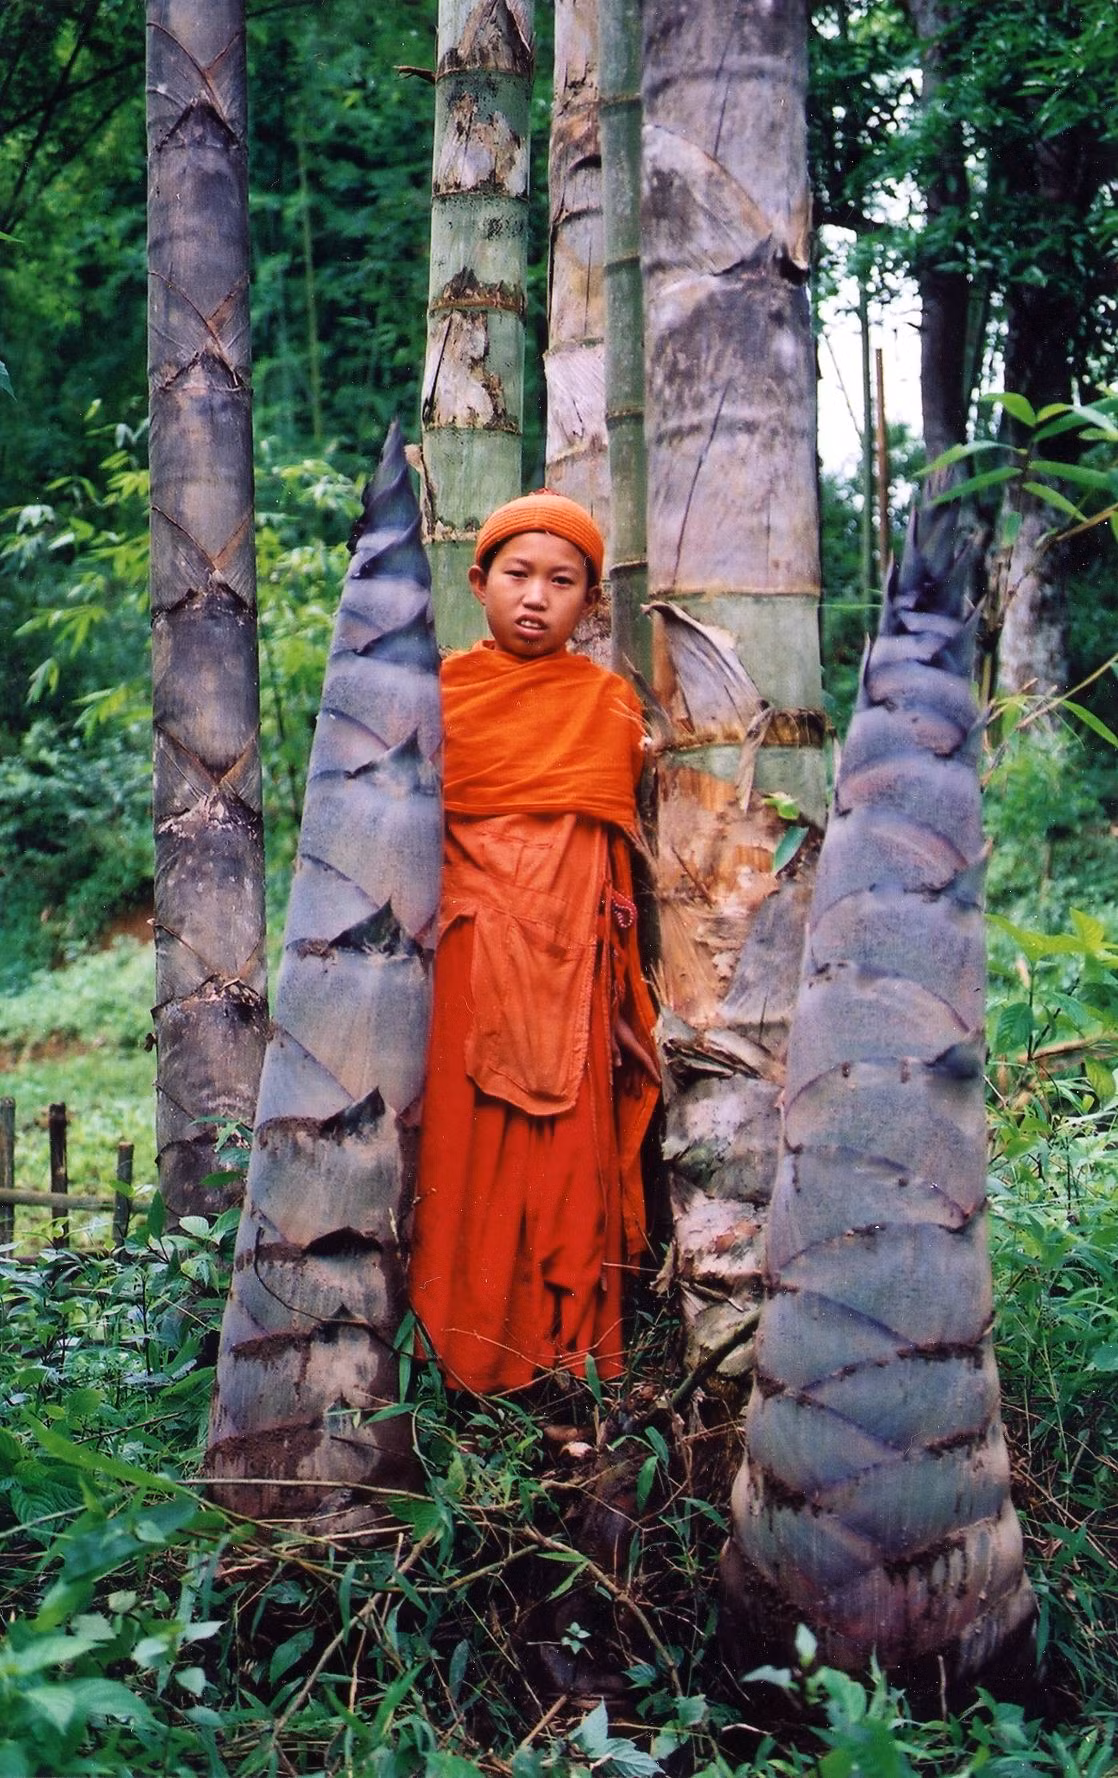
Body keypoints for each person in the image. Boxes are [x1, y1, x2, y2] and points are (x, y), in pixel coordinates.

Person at [407, 491, 660, 1395]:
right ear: (478, 582)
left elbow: (610, 870)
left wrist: (622, 989)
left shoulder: (607, 703)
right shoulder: (435, 692)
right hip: (467, 963)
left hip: (572, 969)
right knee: (462, 1159)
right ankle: (458, 1364)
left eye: (562, 582)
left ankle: (567, 1371)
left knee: (567, 1172)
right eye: (517, 574)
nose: (535, 597)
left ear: (590, 603)